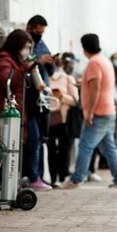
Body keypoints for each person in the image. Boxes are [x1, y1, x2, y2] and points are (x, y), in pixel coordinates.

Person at [63, 34, 117, 188]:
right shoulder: (104, 60)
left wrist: (90, 112)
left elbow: (95, 87)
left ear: (85, 47)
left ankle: (76, 179)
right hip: (108, 109)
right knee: (109, 146)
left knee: (85, 145)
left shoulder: (94, 63)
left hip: (98, 112)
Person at [23, 15, 55, 191]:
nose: (39, 35)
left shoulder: (42, 45)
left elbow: (50, 71)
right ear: (31, 27)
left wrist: (50, 62)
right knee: (33, 139)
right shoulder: (25, 43)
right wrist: (37, 60)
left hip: (43, 96)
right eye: (38, 31)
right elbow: (24, 64)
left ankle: (39, 176)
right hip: (31, 97)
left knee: (42, 137)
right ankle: (31, 176)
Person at [47, 53, 79, 187]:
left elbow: (75, 100)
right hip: (49, 118)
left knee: (64, 149)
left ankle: (63, 176)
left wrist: (62, 97)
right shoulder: (45, 78)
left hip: (64, 120)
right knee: (51, 150)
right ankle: (53, 178)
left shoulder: (67, 79)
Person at [0, 29, 32, 114]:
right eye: (26, 47)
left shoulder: (16, 60)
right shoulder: (3, 60)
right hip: (7, 109)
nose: (28, 51)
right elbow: (6, 81)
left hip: (16, 108)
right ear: (17, 45)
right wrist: (24, 67)